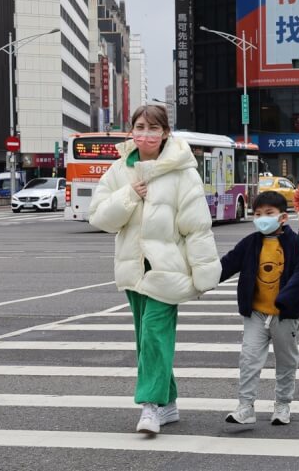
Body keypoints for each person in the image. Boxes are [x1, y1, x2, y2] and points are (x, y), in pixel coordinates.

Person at [89, 105, 221, 435]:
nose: (145, 133)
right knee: (148, 341)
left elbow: (197, 227)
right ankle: (170, 401)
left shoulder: (183, 172)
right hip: (133, 270)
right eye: (139, 126)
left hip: (168, 270)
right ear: (130, 130)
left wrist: (204, 275)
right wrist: (129, 195)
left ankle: (150, 406)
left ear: (165, 133)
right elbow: (100, 218)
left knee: (152, 333)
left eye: (153, 127)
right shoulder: (120, 170)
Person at [219, 191, 299, 426]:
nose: (262, 218)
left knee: (286, 361)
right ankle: (245, 406)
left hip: (285, 315)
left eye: (268, 214)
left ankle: (282, 404)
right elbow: (227, 264)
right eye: (258, 214)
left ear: (282, 217)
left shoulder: (295, 244)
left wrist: (286, 298)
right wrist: (201, 280)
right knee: (249, 359)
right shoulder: (250, 243)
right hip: (256, 314)